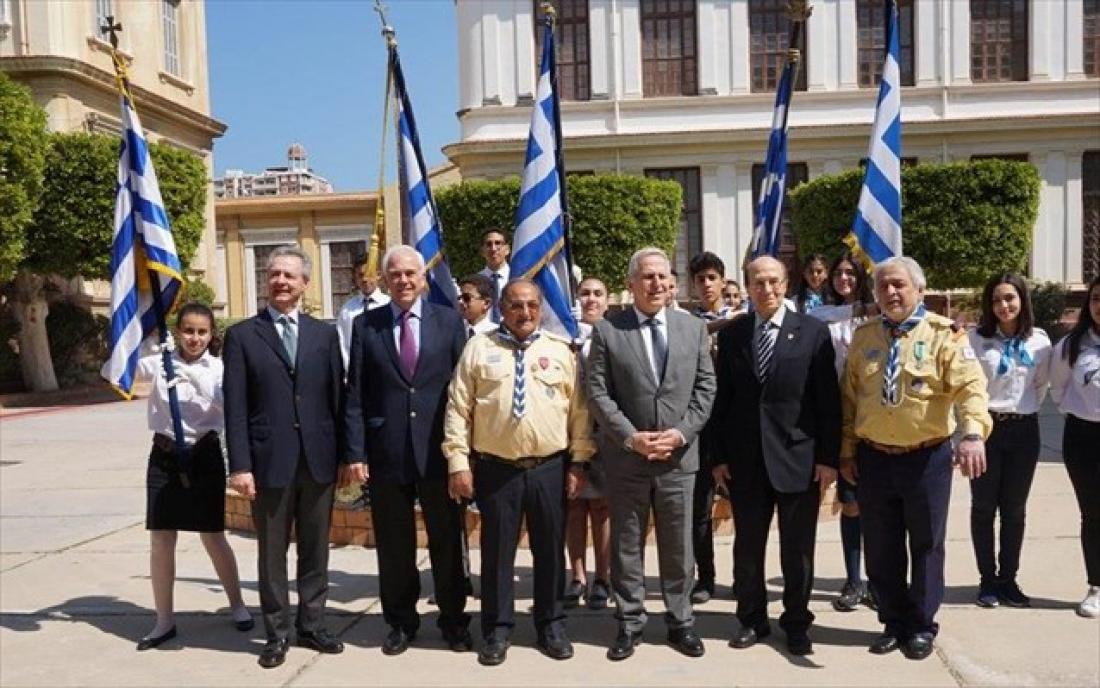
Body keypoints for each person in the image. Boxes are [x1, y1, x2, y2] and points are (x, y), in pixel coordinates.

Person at [840, 256, 991, 661]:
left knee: (926, 544)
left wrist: (972, 434)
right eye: (883, 286)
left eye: (899, 285)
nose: (890, 292)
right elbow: (849, 400)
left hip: (926, 459)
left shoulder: (945, 335)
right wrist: (847, 451)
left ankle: (922, 624)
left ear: (919, 290)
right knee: (881, 545)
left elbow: (971, 388)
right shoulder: (864, 337)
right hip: (874, 458)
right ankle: (893, 621)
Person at [443, 279, 594, 666]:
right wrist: (458, 462)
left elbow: (579, 412)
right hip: (496, 469)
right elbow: (458, 409)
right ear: (501, 308)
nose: (525, 313)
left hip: (549, 467)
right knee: (496, 553)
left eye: (532, 305)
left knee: (550, 550)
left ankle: (551, 625)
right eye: (516, 305)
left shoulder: (559, 351)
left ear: (541, 309)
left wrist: (578, 462)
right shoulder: (479, 348)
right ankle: (497, 629)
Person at [586, 247, 715, 662]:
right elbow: (598, 393)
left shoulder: (693, 328)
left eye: (663, 276)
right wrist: (631, 437)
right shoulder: (608, 331)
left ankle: (681, 621)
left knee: (679, 546)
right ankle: (629, 622)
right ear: (631, 284)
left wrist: (680, 434)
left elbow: (706, 388)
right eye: (647, 277)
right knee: (627, 544)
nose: (656, 283)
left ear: (672, 282)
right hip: (628, 460)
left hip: (679, 459)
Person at [342, 245, 472, 655]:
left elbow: (464, 390)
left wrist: (463, 452)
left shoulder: (449, 321)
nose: (403, 281)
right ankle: (400, 621)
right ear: (384, 279)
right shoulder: (366, 325)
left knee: (447, 539)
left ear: (423, 278)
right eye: (395, 274)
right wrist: (356, 453)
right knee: (394, 543)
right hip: (387, 451)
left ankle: (453, 620)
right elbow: (356, 393)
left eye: (410, 273)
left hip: (438, 450)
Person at [710, 256, 840, 657]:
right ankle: (752, 619)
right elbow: (722, 400)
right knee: (748, 548)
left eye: (773, 282)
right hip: (746, 462)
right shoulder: (734, 335)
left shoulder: (813, 332)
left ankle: (797, 622)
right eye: (758, 282)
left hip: (799, 459)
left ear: (785, 284)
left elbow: (827, 401)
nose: (766, 289)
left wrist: (828, 458)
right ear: (747, 286)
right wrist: (718, 457)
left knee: (798, 549)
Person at [223, 245, 346, 669]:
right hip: (268, 461)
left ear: (305, 284)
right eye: (274, 274)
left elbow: (337, 398)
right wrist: (240, 465)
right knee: (272, 552)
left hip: (318, 459)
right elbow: (235, 407)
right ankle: (276, 633)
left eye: (289, 275)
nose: (280, 281)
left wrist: (346, 456)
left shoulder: (324, 335)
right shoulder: (242, 336)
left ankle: (312, 624)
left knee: (315, 549)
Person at [133, 303, 252, 651]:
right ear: (177, 331)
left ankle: (237, 604)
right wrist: (142, 342)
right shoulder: (159, 363)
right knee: (161, 539)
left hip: (204, 455)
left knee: (213, 536)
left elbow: (228, 406)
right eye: (188, 330)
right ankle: (164, 620)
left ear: (211, 334)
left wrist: (192, 379)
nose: (194, 338)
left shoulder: (219, 368)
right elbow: (118, 370)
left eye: (202, 332)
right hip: (164, 456)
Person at [967, 273, 1052, 609]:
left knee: (1014, 510)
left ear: (1022, 300)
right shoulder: (975, 340)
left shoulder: (1040, 342)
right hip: (987, 430)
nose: (1003, 306)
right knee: (983, 507)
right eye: (996, 300)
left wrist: (1021, 410)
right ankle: (987, 580)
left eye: (1010, 298)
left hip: (1024, 431)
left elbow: (1040, 386)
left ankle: (1008, 579)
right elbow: (970, 389)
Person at [811, 252, 878, 612]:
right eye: (838, 273)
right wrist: (861, 309)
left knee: (877, 506)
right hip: (839, 417)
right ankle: (854, 580)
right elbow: (819, 318)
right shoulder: (824, 314)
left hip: (875, 417)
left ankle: (879, 581)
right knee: (850, 503)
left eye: (851, 273)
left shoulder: (879, 318)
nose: (844, 279)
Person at [687, 251, 742, 605]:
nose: (707, 284)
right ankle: (705, 577)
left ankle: (743, 576)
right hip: (700, 428)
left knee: (745, 509)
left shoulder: (744, 320)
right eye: (700, 279)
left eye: (712, 278)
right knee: (699, 510)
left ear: (723, 281)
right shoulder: (686, 323)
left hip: (735, 425)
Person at [1049, 275, 1100, 619]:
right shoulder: (1072, 345)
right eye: (1096, 298)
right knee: (1093, 514)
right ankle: (1096, 585)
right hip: (1084, 438)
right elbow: (1058, 388)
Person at [564, 277, 612, 611]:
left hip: (605, 432)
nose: (591, 299)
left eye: (597, 293)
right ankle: (577, 576)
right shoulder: (563, 337)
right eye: (585, 293)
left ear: (607, 301)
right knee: (574, 506)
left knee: (602, 508)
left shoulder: (615, 335)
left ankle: (603, 578)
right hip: (569, 431)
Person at [336, 253, 391, 370]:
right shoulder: (347, 310)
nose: (365, 279)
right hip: (354, 371)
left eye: (369, 274)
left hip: (384, 371)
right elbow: (343, 343)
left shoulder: (389, 305)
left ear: (378, 275)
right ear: (355, 278)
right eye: (360, 275)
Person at [477, 228, 511, 323]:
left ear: (507, 249)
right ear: (482, 251)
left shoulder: (518, 278)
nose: (493, 249)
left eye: (498, 243)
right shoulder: (475, 282)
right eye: (488, 244)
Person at [458, 273, 498, 338]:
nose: (460, 302)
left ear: (486, 303)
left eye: (466, 298)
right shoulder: (453, 332)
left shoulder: (496, 336)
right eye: (459, 298)